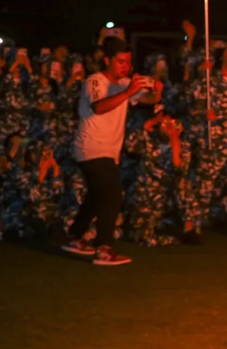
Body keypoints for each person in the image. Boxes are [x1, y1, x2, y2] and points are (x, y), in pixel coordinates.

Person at [60, 36, 156, 265]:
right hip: (92, 147)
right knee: (112, 195)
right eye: (120, 61)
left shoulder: (124, 84)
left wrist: (155, 88)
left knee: (96, 195)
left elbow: (150, 99)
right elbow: (99, 106)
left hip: (108, 150)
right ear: (107, 60)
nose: (125, 66)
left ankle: (75, 237)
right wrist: (128, 91)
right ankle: (104, 248)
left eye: (128, 62)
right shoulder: (95, 81)